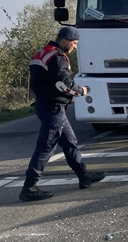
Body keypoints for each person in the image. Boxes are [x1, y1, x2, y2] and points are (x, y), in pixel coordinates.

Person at [19, 26, 106, 202]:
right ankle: (29, 187)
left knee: (69, 142)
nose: (74, 47)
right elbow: (63, 84)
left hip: (47, 105)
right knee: (46, 146)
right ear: (65, 40)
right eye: (74, 43)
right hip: (53, 107)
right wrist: (81, 91)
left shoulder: (44, 51)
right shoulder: (57, 57)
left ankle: (84, 175)